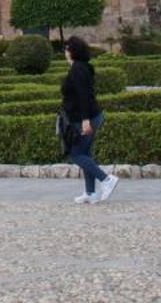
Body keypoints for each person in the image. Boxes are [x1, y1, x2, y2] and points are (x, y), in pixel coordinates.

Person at [59, 36, 116, 205]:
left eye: (66, 49)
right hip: (87, 116)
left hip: (84, 118)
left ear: (72, 51)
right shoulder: (81, 68)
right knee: (85, 154)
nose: (65, 52)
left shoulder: (78, 70)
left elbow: (84, 96)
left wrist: (85, 120)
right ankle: (90, 193)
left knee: (76, 155)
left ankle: (106, 180)